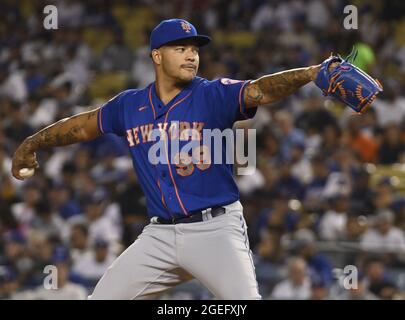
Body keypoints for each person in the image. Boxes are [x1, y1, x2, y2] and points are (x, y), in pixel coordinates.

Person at [12, 19, 328, 299]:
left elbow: (260, 90)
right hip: (159, 234)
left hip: (214, 228)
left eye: (195, 49)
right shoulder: (129, 105)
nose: (192, 55)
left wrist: (311, 73)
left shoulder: (212, 94)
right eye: (180, 48)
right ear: (157, 56)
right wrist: (33, 141)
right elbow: (83, 126)